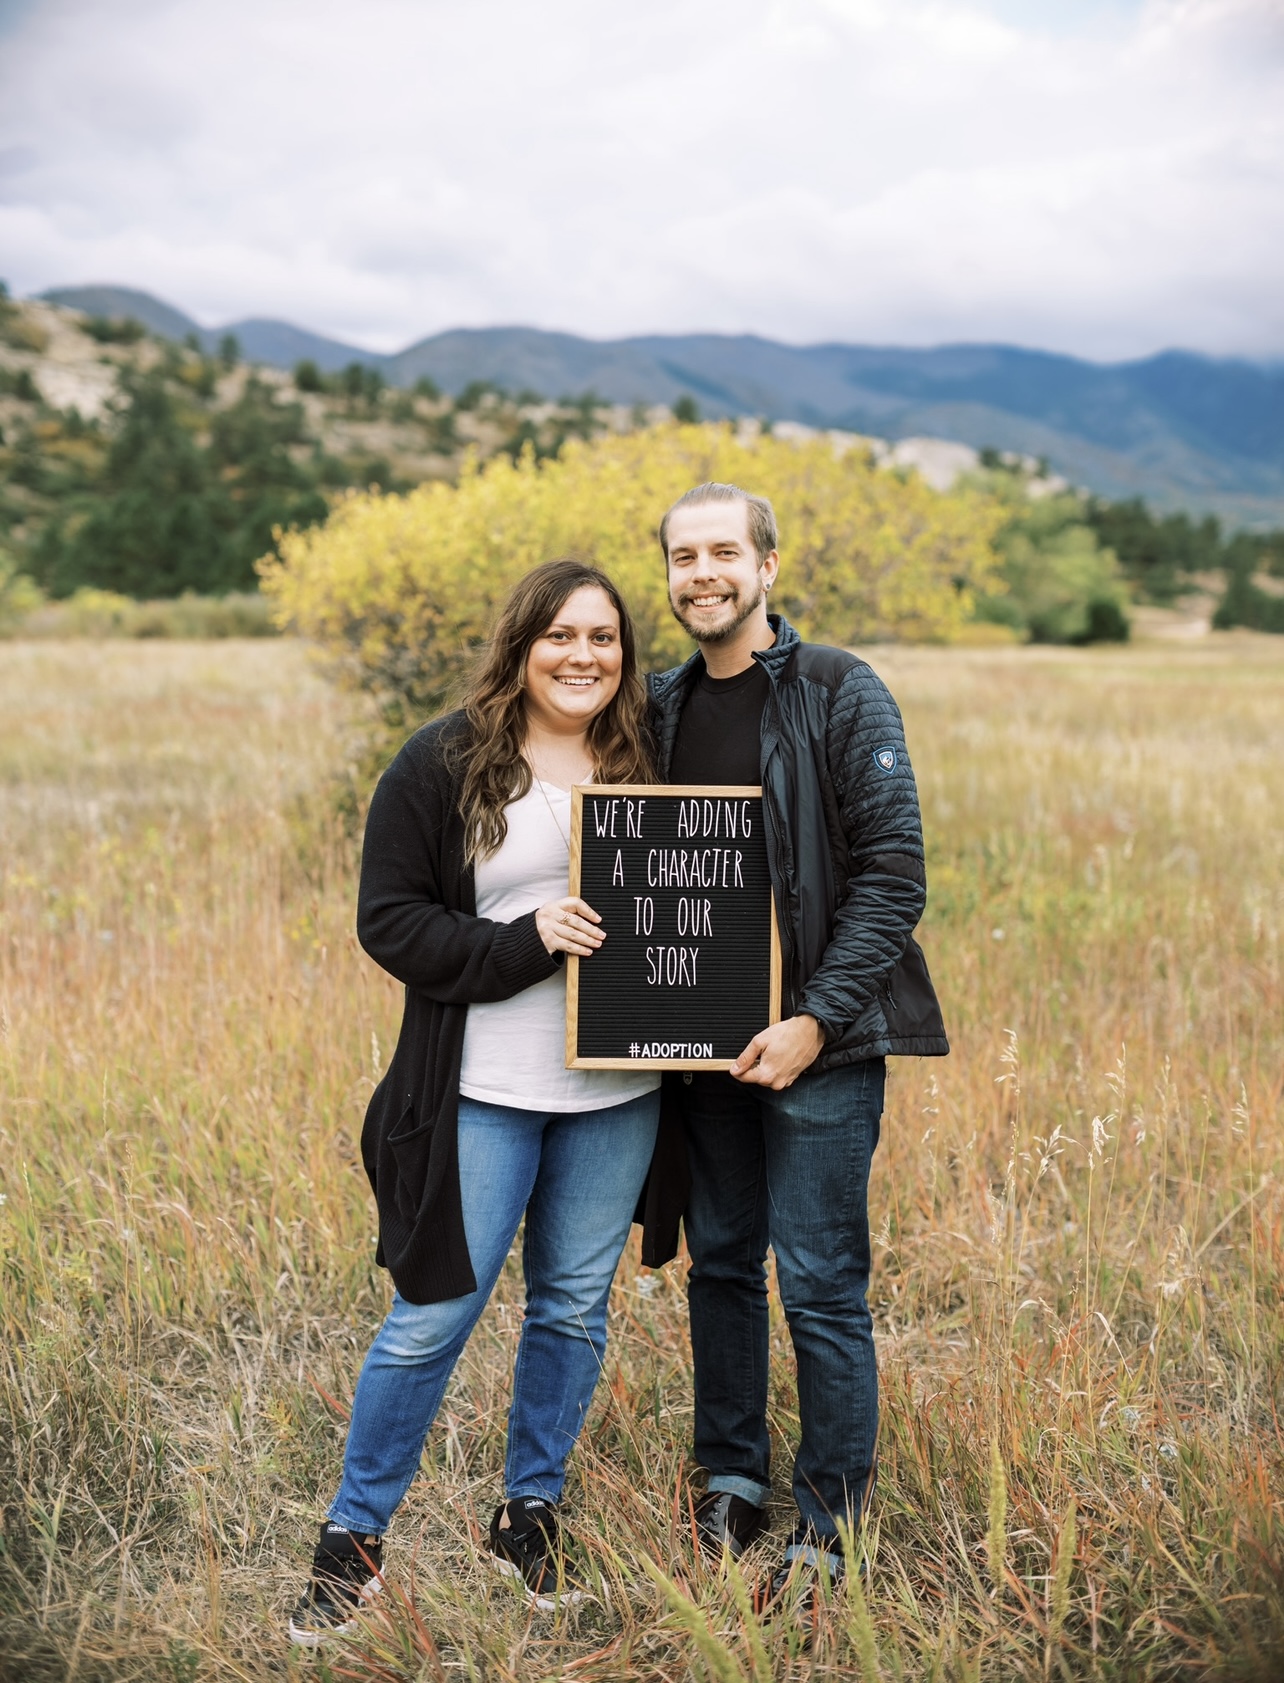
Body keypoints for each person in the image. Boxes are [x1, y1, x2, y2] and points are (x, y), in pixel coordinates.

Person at [288, 560, 661, 1645]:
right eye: (560, 635)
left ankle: (528, 1518)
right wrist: (523, 939)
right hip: (482, 1090)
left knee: (573, 1309)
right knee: (433, 1316)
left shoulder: (651, 758)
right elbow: (389, 920)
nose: (583, 655)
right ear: (520, 644)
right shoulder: (443, 761)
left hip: (619, 1092)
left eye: (603, 637)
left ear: (625, 653)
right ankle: (353, 1543)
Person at [649, 482, 948, 1607]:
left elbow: (894, 874)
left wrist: (814, 1021)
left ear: (767, 566)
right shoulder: (659, 703)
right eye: (684, 557)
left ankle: (830, 1518)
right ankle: (730, 1476)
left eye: (724, 552)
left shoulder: (838, 689)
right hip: (702, 1050)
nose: (704, 574)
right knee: (722, 1262)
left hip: (820, 1048)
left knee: (821, 1286)